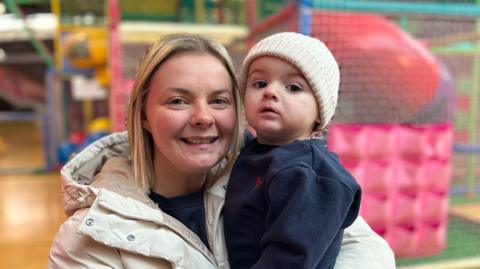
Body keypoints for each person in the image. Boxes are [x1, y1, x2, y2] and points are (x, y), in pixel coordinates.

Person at [48, 33, 396, 269]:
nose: (202, 117)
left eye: (218, 100)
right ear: (143, 115)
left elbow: (370, 250)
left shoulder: (279, 168)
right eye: (178, 100)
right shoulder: (88, 238)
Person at [224, 32, 361, 269]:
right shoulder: (255, 149)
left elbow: (289, 258)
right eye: (259, 83)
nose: (270, 92)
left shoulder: (309, 174)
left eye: (293, 87)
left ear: (320, 111)